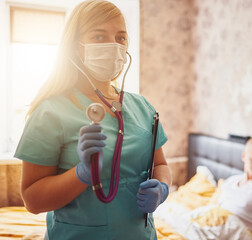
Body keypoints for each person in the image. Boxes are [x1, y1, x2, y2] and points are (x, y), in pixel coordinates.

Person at [14, 1, 171, 239]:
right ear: (76, 47)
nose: (113, 46)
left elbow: (161, 165)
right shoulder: (50, 111)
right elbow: (33, 201)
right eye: (99, 37)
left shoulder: (143, 107)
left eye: (121, 38)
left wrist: (162, 189)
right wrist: (82, 174)